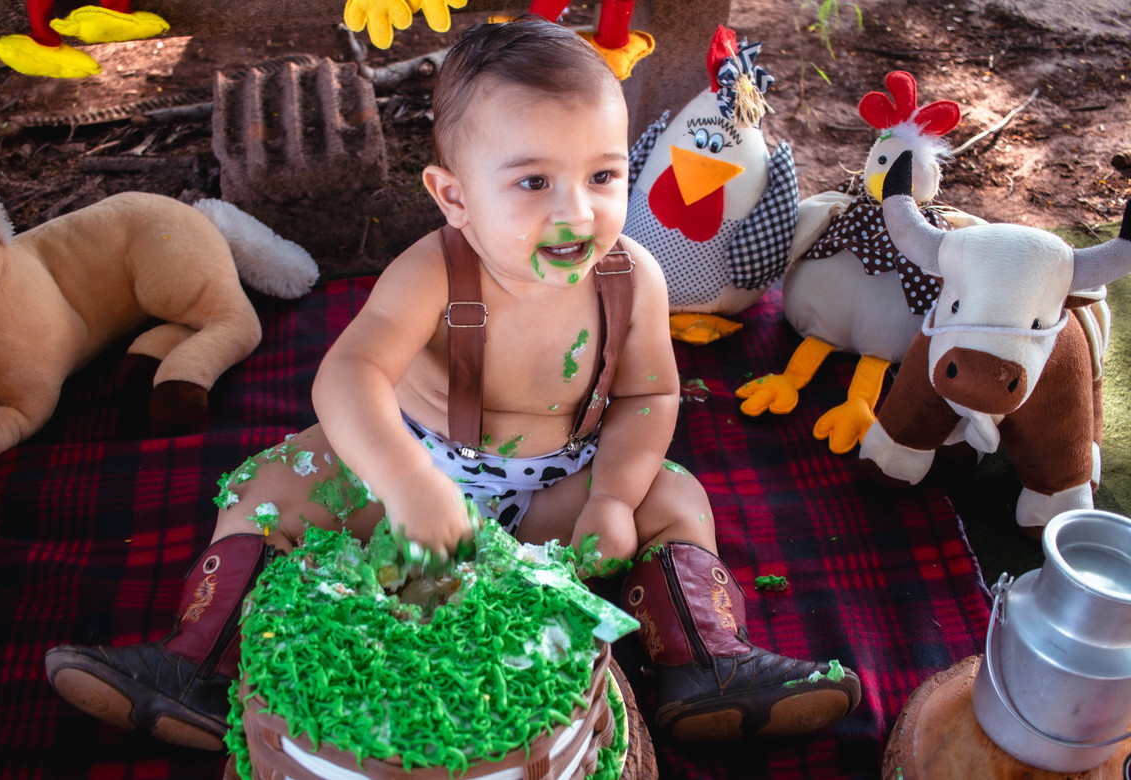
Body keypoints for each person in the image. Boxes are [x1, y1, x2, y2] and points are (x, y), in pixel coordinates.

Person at [44, 16, 861, 751]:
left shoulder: (634, 277)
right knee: (267, 487)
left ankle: (704, 665)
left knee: (677, 497)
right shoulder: (433, 271)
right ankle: (201, 665)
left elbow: (649, 397)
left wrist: (614, 496)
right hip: (410, 475)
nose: (577, 212)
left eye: (603, 177)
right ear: (455, 197)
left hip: (556, 494)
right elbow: (350, 374)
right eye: (534, 182)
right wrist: (406, 483)